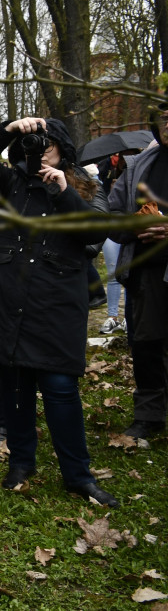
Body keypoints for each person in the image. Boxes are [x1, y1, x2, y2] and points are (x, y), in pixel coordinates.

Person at [0, 117, 118, 507]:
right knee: (16, 389)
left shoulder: (84, 185)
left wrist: (64, 192)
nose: (39, 151)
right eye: (33, 145)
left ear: (62, 150)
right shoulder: (11, 183)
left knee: (60, 389)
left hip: (55, 306)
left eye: (47, 145)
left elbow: (95, 232)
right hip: (8, 300)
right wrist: (7, 129)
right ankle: (21, 462)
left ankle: (77, 474)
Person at [109, 132, 168, 441]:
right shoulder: (139, 164)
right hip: (147, 273)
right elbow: (112, 212)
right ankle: (149, 416)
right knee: (147, 346)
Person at [98, 153, 128, 334]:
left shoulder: (139, 174)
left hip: (132, 227)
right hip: (111, 226)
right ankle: (112, 317)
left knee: (131, 273)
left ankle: (127, 318)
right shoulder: (105, 170)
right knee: (113, 272)